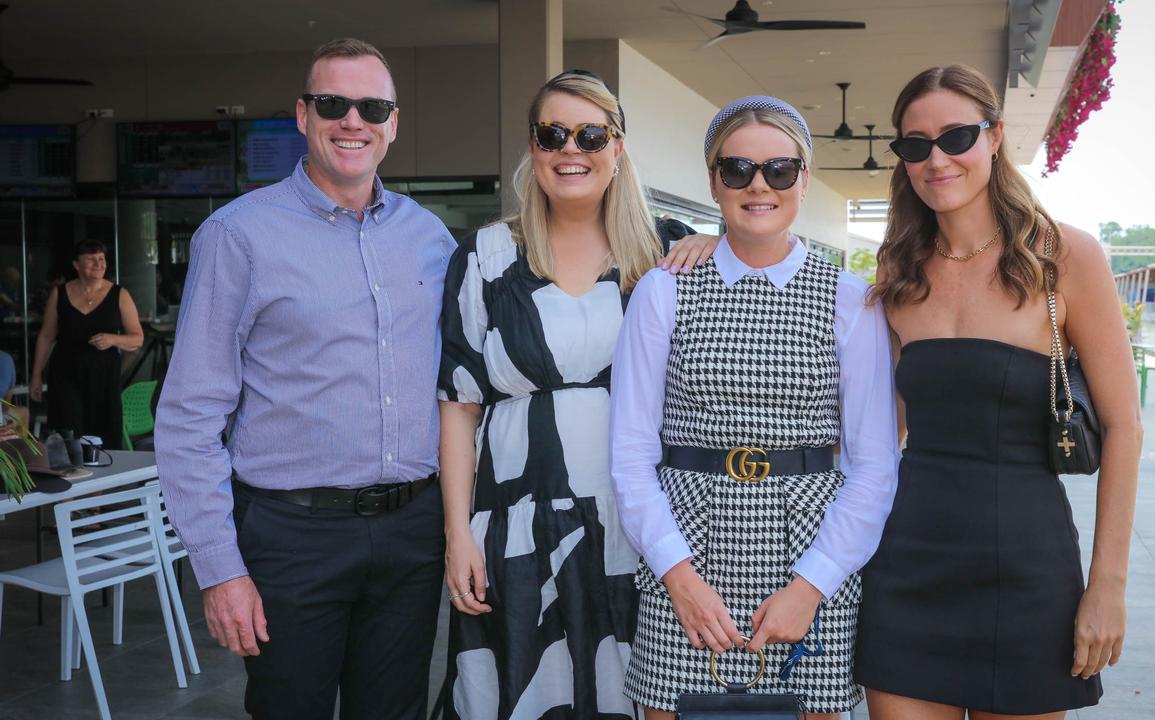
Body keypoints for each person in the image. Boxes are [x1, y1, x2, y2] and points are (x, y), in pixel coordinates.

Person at [155, 38, 453, 720]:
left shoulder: (430, 238)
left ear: (394, 122)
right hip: (291, 537)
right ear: (302, 114)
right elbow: (189, 414)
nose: (353, 120)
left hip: (412, 532)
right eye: (333, 104)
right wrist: (220, 568)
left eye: (371, 106)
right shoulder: (238, 236)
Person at [853, 64, 1142, 719]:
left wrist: (1108, 587)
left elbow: (1125, 427)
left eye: (955, 137)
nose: (936, 159)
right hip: (908, 566)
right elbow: (878, 437)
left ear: (995, 137)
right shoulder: (898, 270)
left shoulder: (1064, 257)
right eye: (914, 145)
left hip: (1028, 569)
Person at [438, 69, 716, 720]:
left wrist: (721, 245)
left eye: (592, 134)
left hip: (638, 528)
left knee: (629, 689)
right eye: (552, 133)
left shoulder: (667, 252)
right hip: (513, 524)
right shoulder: (485, 257)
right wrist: (457, 535)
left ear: (617, 150)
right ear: (532, 149)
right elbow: (458, 405)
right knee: (518, 689)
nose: (572, 148)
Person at [610, 96, 899, 719]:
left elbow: (874, 465)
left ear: (804, 177)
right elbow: (631, 453)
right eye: (737, 169)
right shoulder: (664, 291)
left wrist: (813, 585)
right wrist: (676, 578)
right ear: (714, 181)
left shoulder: (852, 301)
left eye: (780, 169)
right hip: (684, 556)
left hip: (812, 558)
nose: (758, 185)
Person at [30, 240, 143, 448]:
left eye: (101, 258)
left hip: (104, 377)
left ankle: (108, 480)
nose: (98, 263)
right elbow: (46, 336)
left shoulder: (120, 294)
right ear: (76, 264)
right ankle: (71, 479)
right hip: (65, 376)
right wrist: (36, 375)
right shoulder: (60, 293)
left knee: (106, 437)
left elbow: (137, 338)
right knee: (68, 434)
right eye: (91, 259)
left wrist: (113, 339)